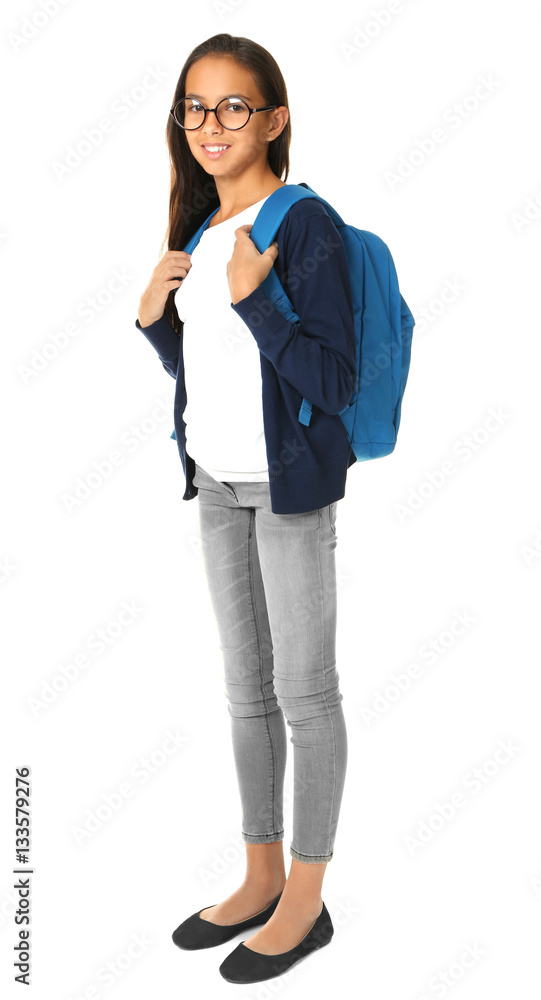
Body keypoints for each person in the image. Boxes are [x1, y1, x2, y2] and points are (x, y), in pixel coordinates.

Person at [135, 32, 357, 984]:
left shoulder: (302, 226)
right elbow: (211, 376)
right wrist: (155, 324)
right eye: (195, 106)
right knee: (245, 692)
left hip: (288, 488)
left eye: (232, 107)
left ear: (272, 119)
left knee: (304, 696)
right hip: (217, 488)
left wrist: (261, 304)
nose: (210, 124)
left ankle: (306, 898)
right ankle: (260, 869)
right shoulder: (196, 232)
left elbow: (331, 380)